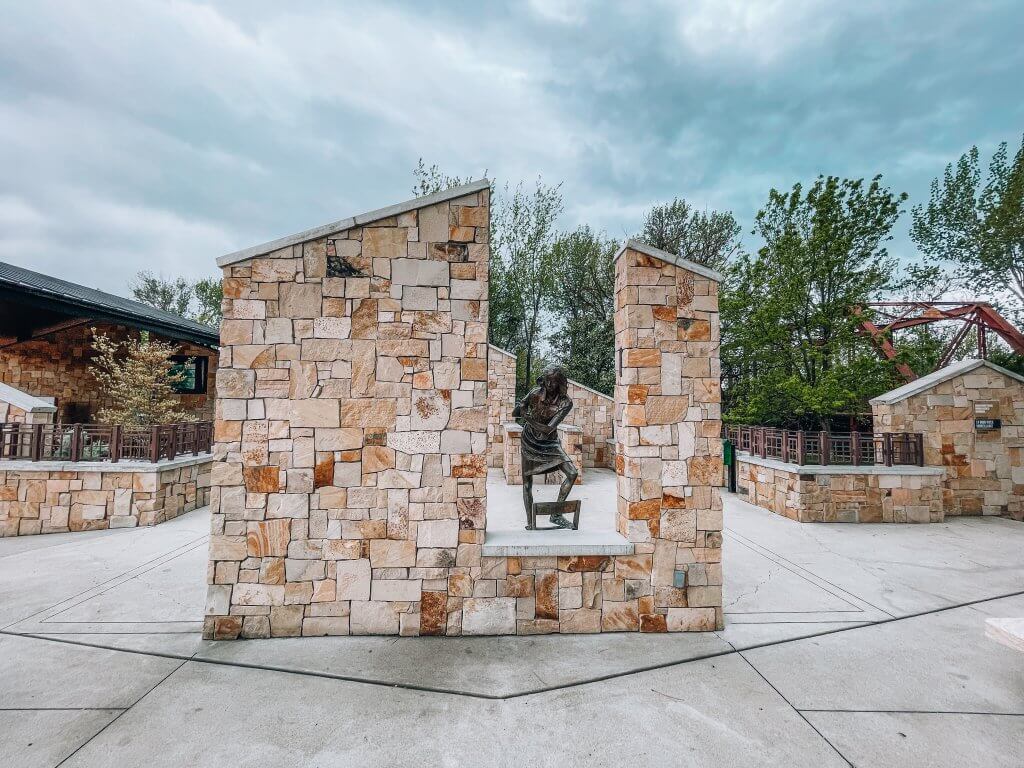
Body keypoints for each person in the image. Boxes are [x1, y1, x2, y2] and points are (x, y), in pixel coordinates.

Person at [512, 366, 578, 529]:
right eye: (547, 380)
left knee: (572, 473)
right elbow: (517, 411)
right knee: (527, 483)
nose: (549, 384)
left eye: (553, 382)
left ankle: (556, 514)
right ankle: (530, 522)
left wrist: (528, 419)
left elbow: (549, 429)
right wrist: (522, 407)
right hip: (529, 440)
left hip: (549, 441)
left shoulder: (565, 402)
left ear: (560, 383)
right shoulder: (535, 393)